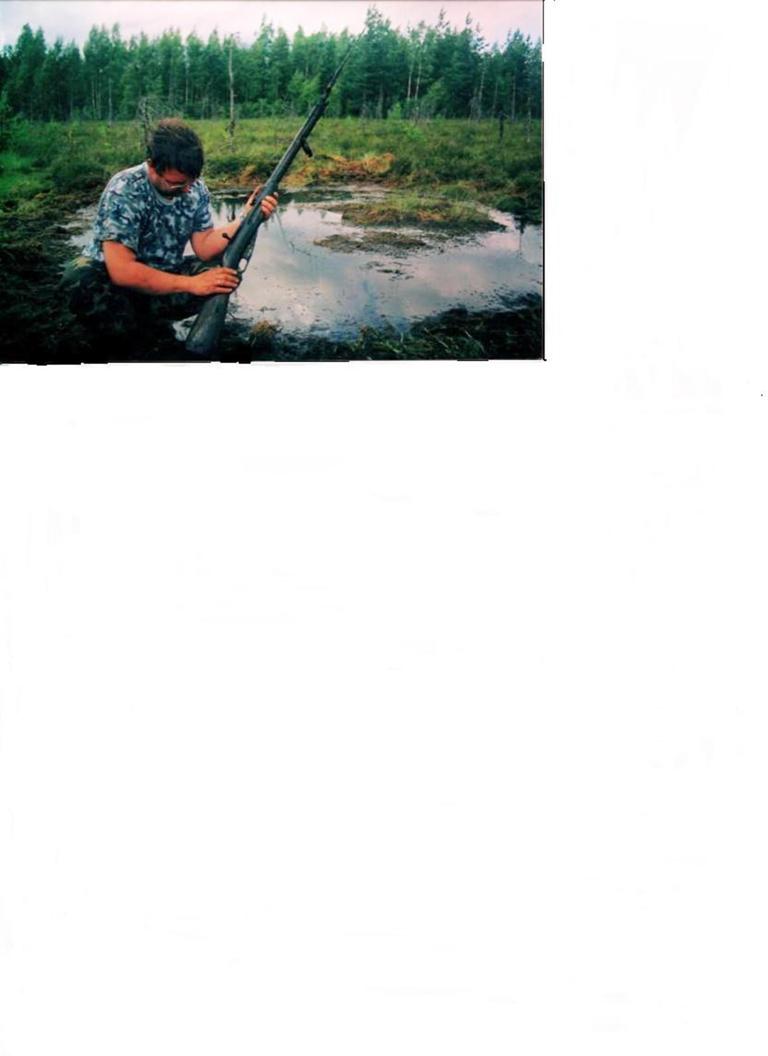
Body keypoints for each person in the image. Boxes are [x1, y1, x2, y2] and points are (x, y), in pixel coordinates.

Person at [61, 118, 278, 347]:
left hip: (163, 279)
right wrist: (192, 284)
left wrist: (246, 216)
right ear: (152, 165)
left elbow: (205, 246)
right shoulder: (125, 188)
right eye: (177, 184)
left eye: (191, 181)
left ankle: (150, 321)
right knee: (80, 278)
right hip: (114, 285)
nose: (186, 190)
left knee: (222, 273)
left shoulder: (195, 189)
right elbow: (122, 271)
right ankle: (123, 332)